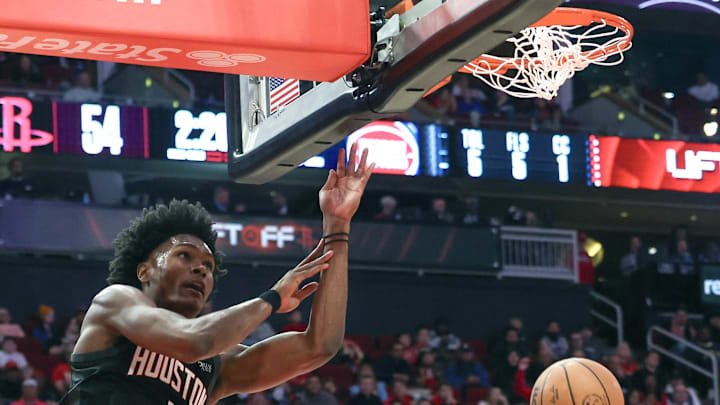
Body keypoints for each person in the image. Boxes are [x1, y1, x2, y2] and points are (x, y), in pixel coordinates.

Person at [59, 145, 375, 404]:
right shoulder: (115, 302)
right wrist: (273, 297)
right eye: (184, 255)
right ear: (144, 270)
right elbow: (194, 340)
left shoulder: (215, 366)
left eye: (208, 266)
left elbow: (318, 347)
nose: (200, 268)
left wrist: (337, 227)